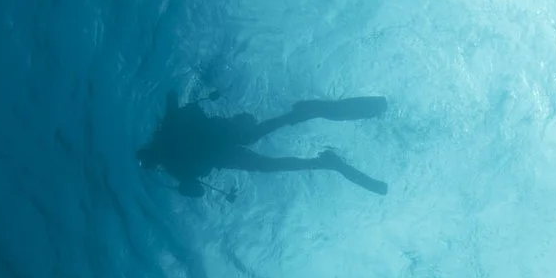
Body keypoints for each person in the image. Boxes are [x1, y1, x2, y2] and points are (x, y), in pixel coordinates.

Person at [135, 95, 388, 197]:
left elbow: (176, 104)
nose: (155, 161)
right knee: (261, 153)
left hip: (222, 139)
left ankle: (313, 142)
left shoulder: (169, 151)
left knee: (257, 145)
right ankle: (320, 158)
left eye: (149, 159)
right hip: (224, 149)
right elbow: (196, 188)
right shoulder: (173, 166)